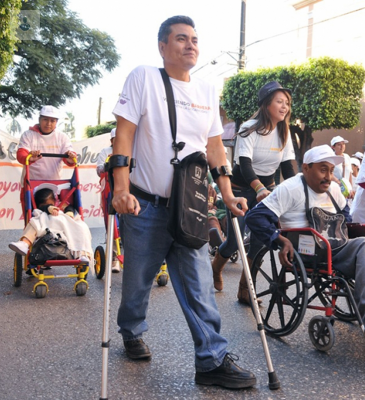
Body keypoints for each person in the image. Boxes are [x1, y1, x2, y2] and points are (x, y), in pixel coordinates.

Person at [110, 16, 255, 389]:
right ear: (163, 46)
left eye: (194, 39)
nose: (190, 45)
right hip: (144, 206)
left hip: (189, 207)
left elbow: (214, 147)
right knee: (138, 283)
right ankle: (131, 330)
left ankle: (211, 360)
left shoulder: (207, 90)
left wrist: (226, 193)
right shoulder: (143, 77)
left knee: (200, 284)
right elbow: (123, 136)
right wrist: (121, 188)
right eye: (180, 39)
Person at [245, 145, 365, 340]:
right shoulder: (290, 188)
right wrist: (279, 239)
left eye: (330, 170)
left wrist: (351, 228)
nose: (328, 176)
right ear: (306, 169)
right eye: (322, 170)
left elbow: (345, 215)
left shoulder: (334, 189)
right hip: (308, 248)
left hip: (334, 245)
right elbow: (255, 217)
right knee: (364, 244)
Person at [211, 80, 296, 304]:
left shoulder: (285, 132)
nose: (284, 106)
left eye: (286, 102)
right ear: (266, 104)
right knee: (234, 242)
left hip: (266, 189)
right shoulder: (249, 128)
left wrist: (298, 189)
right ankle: (215, 267)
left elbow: (288, 168)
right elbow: (245, 164)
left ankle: (245, 290)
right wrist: (257, 188)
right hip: (241, 188)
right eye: (279, 101)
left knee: (261, 240)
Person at [9, 185, 92, 264]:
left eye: (51, 204)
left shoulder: (61, 203)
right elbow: (39, 210)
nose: (49, 206)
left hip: (63, 227)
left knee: (81, 227)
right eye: (44, 205)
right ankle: (24, 243)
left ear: (55, 201)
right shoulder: (40, 209)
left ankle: (83, 254)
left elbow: (69, 207)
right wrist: (48, 208)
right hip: (47, 226)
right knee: (34, 222)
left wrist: (69, 213)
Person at [17, 105, 77, 180]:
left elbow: (70, 155)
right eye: (45, 119)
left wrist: (71, 158)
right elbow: (20, 154)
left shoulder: (62, 137)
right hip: (31, 184)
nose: (48, 123)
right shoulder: (28, 135)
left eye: (52, 121)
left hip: (55, 185)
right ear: (39, 120)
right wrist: (28, 158)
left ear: (56, 122)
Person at [95, 128, 120, 273]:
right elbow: (99, 170)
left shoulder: (130, 149)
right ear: (111, 140)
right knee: (112, 226)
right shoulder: (106, 151)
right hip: (109, 192)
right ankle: (114, 259)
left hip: (127, 191)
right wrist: (108, 165)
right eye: (116, 138)